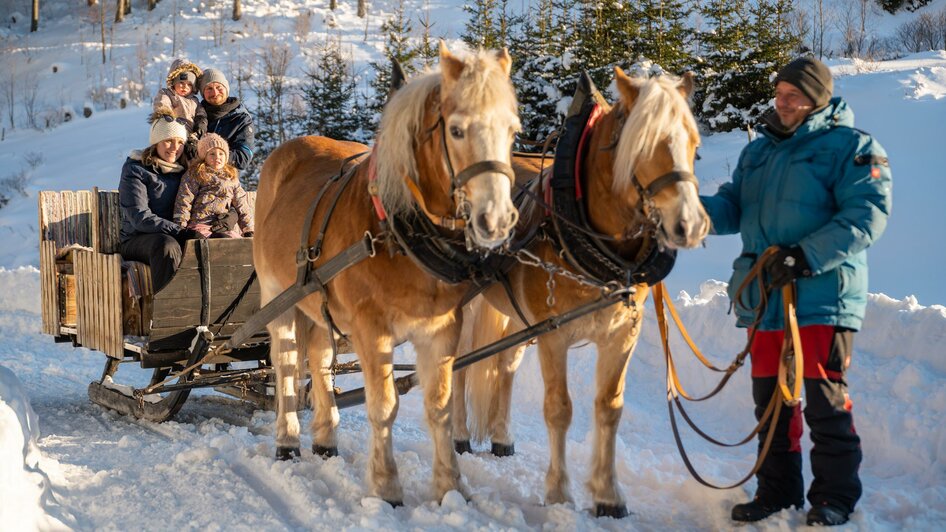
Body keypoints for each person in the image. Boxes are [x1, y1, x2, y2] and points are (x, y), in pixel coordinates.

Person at [700, 56, 892, 527]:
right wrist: (687, 212)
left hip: (823, 296)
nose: (781, 103)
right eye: (779, 93)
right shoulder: (758, 152)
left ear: (816, 99)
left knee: (824, 402)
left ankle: (834, 497)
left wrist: (805, 256)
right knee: (770, 403)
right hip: (766, 299)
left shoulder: (853, 147)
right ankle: (777, 492)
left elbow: (867, 215)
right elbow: (731, 207)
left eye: (793, 96)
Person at [118, 108, 204, 292]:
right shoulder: (136, 170)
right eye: (168, 141)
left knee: (219, 242)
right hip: (138, 239)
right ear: (156, 142)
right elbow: (139, 216)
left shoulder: (186, 172)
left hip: (175, 233)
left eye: (180, 142)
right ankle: (169, 313)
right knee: (167, 245)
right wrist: (180, 233)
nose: (175, 148)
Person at [173, 133, 254, 239]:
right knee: (205, 243)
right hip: (200, 224)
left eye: (221, 153)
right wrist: (181, 227)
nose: (217, 157)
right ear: (204, 156)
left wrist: (248, 229)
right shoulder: (195, 173)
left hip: (223, 225)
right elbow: (184, 200)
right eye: (212, 154)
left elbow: (241, 204)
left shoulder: (231, 177)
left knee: (231, 242)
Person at [197, 68, 255, 171]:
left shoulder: (241, 119)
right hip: (192, 178)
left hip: (225, 180)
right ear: (203, 93)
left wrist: (214, 154)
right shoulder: (195, 114)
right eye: (209, 88)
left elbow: (243, 158)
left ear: (226, 89)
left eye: (219, 87)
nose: (215, 93)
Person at [153, 58, 207, 160]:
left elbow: (201, 114)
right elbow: (162, 104)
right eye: (181, 82)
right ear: (173, 81)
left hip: (191, 136)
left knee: (192, 157)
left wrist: (200, 125)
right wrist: (167, 116)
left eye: (189, 84)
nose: (185, 87)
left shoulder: (195, 101)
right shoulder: (168, 94)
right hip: (173, 133)